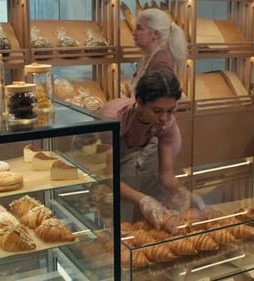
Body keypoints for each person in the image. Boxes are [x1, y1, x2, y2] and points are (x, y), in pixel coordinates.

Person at [98, 70, 204, 232]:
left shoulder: (166, 122)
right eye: (157, 111)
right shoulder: (113, 119)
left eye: (170, 110)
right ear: (139, 102)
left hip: (127, 161)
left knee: (146, 223)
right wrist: (144, 200)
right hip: (96, 160)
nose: (164, 118)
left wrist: (181, 191)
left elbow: (166, 175)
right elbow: (107, 178)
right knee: (116, 222)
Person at [129, 8, 188, 95]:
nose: (134, 32)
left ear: (155, 34)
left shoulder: (160, 62)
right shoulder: (148, 57)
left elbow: (166, 101)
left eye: (139, 28)